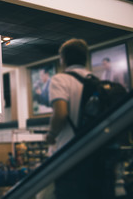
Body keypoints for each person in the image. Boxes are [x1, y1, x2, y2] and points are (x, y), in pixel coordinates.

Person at [45, 38, 110, 199]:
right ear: (85, 58)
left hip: (70, 157)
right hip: (96, 155)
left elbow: (60, 113)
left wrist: (51, 135)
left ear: (64, 59)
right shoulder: (96, 82)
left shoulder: (60, 79)